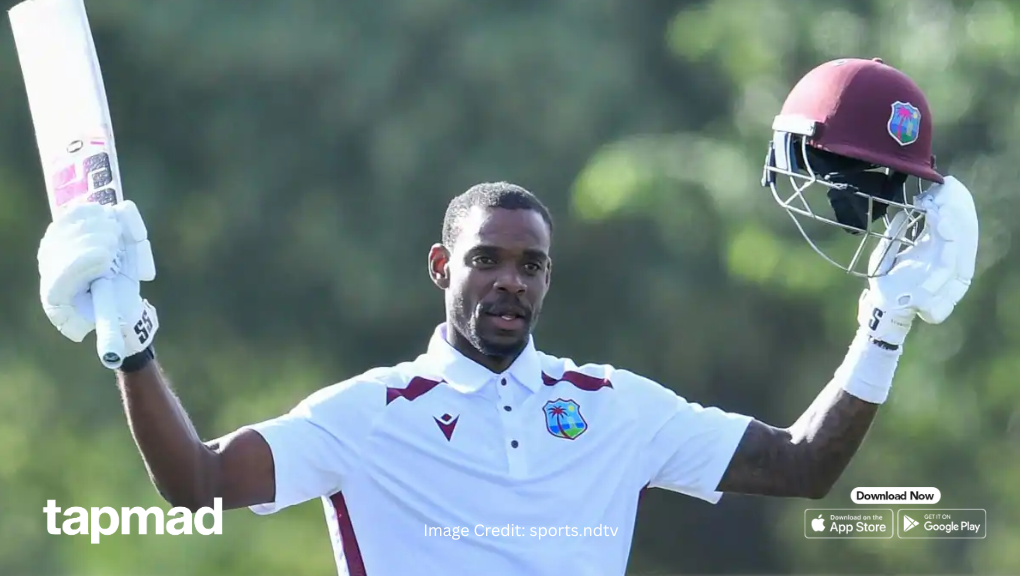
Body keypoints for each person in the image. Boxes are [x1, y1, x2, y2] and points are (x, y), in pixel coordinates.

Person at [36, 57, 978, 576]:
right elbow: (196, 483)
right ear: (444, 267)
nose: (510, 282)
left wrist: (884, 324)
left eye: (531, 267)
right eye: (487, 260)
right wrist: (130, 343)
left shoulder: (613, 406)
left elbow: (803, 466)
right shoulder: (366, 414)